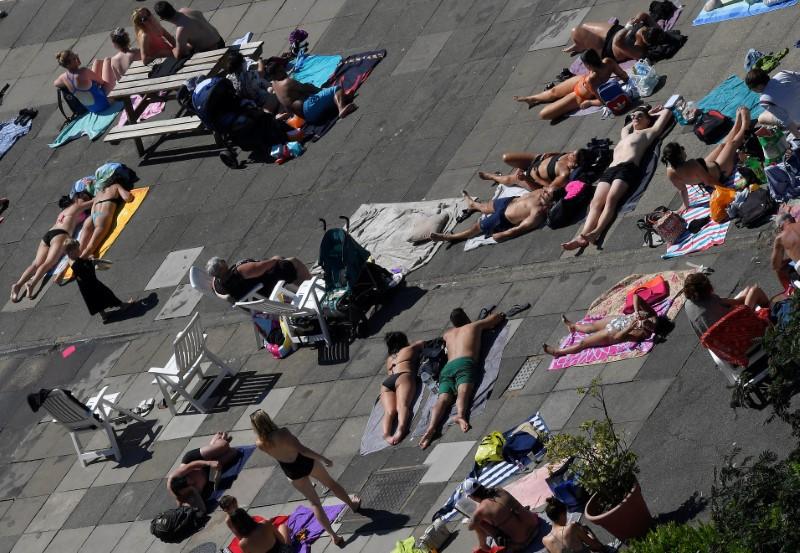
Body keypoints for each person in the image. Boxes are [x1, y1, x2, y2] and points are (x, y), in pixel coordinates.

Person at [562, 105, 673, 250]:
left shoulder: (650, 132)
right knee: (595, 203)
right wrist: (641, 114)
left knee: (611, 200)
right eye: (633, 116)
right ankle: (582, 236)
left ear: (648, 120)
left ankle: (597, 232)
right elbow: (625, 128)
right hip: (611, 169)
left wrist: (652, 113)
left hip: (627, 168)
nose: (635, 118)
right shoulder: (626, 134)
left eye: (640, 116)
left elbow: (668, 112)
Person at [250, 410, 360, 547]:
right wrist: (323, 458)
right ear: (268, 419)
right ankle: (352, 505)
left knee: (315, 503)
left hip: (291, 472)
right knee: (331, 484)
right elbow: (302, 450)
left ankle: (333, 535)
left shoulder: (260, 443)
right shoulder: (283, 433)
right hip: (304, 462)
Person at [419, 309, 507, 449]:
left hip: (447, 368)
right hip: (464, 363)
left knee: (442, 399)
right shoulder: (474, 326)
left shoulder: (447, 334)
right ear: (466, 317)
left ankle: (431, 427)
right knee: (463, 392)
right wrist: (497, 315)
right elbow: (495, 319)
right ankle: (460, 415)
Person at [661, 106, 752, 212]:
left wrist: (685, 205)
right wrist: (730, 192)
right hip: (720, 171)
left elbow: (682, 189)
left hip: (706, 169)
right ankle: (745, 125)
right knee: (731, 145)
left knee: (721, 146)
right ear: (680, 156)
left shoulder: (670, 171)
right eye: (682, 149)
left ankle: (737, 123)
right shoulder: (692, 164)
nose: (684, 150)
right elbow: (710, 181)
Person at [10, 193, 93, 302]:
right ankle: (32, 283)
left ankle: (18, 285)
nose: (86, 200)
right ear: (77, 199)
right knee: (49, 262)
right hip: (60, 234)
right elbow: (96, 200)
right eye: (85, 198)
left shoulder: (65, 210)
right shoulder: (77, 205)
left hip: (49, 234)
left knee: (36, 264)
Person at [543, 293, 673, 357]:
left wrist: (630, 327)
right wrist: (637, 310)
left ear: (651, 331)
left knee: (584, 343)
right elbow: (636, 296)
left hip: (611, 333)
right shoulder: (652, 315)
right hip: (618, 321)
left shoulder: (642, 333)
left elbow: (618, 337)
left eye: (649, 325)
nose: (647, 322)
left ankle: (558, 352)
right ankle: (574, 327)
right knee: (590, 327)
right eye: (649, 320)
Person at [512, 50, 630, 120]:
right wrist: (623, 81)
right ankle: (532, 98)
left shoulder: (593, 79)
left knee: (544, 114)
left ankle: (534, 99)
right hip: (581, 81)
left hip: (580, 95)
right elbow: (623, 75)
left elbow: (602, 100)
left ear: (589, 65)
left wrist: (589, 102)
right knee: (553, 92)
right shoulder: (608, 61)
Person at [430, 188, 554, 244]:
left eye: (548, 193)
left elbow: (521, 228)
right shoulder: (540, 191)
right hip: (509, 202)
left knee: (476, 228)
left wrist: (504, 235)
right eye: (546, 189)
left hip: (503, 218)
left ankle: (450, 238)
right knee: (485, 207)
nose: (545, 191)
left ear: (549, 202)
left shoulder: (537, 212)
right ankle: (473, 205)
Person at [167, 432, 241, 514]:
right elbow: (202, 509)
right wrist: (193, 490)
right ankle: (215, 448)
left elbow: (191, 465)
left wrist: (209, 463)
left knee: (224, 445)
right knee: (234, 453)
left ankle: (216, 444)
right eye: (190, 484)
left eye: (189, 479)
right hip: (208, 473)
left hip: (194, 460)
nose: (192, 482)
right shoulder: (187, 496)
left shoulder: (175, 476)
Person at [265, 61, 357, 124]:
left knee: (326, 96)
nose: (284, 72)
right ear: (274, 75)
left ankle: (342, 98)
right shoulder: (288, 82)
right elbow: (309, 89)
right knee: (336, 89)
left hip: (307, 117)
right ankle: (341, 108)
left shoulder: (274, 85)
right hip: (309, 109)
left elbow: (288, 107)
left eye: (283, 69)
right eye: (281, 71)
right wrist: (322, 90)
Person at [683, 272, 770, 337]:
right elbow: (738, 302)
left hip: (720, 341)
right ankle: (771, 312)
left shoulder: (687, 305)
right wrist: (748, 294)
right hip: (737, 331)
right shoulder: (713, 300)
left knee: (746, 291)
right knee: (754, 290)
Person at [64, 239, 132, 322]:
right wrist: (92, 263)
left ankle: (103, 315)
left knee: (94, 300)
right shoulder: (76, 264)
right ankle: (122, 305)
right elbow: (87, 271)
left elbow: (81, 264)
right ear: (71, 251)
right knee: (107, 293)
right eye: (77, 249)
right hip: (92, 283)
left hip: (84, 286)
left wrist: (88, 260)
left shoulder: (71, 260)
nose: (79, 250)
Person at [465, 478, 540, 552]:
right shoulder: (499, 490)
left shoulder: (480, 511)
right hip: (535, 525)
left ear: (472, 497)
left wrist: (475, 517)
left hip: (522, 542)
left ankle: (483, 546)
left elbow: (470, 527)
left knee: (479, 523)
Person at [563, 12, 665, 63]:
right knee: (585, 25)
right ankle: (580, 44)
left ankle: (579, 46)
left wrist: (627, 27)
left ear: (645, 41)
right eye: (645, 29)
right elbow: (645, 15)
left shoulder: (638, 50)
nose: (643, 29)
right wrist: (638, 18)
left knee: (576, 31)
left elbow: (617, 42)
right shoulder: (655, 31)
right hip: (615, 31)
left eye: (643, 32)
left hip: (607, 48)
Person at [381, 332, 423, 445]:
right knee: (402, 406)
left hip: (387, 383)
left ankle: (386, 435)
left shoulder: (389, 359)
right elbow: (422, 343)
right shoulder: (410, 348)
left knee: (389, 411)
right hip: (403, 376)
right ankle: (400, 430)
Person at [206, 256, 311, 301]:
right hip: (265, 288)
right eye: (222, 261)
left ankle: (303, 285)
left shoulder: (218, 285)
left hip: (253, 297)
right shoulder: (241, 271)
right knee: (292, 261)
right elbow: (264, 266)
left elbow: (219, 293)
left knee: (282, 260)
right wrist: (275, 260)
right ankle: (312, 286)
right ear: (223, 266)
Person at [479, 149, 588, 191]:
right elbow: (563, 154)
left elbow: (550, 188)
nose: (570, 153)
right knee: (506, 157)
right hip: (537, 161)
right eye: (572, 152)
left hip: (532, 179)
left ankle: (493, 177)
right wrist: (554, 154)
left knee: (512, 179)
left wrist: (534, 178)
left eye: (573, 155)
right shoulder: (568, 155)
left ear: (575, 162)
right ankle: (520, 170)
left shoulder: (564, 173)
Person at [78, 182, 133, 259]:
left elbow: (93, 208)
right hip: (102, 216)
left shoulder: (98, 192)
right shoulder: (116, 186)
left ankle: (77, 260)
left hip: (91, 217)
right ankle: (79, 264)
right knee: (91, 247)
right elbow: (128, 198)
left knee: (80, 247)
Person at [154, 1, 224, 58]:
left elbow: (179, 55)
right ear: (172, 7)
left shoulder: (181, 30)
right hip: (219, 40)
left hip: (213, 52)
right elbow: (196, 32)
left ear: (162, 18)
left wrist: (170, 50)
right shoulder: (186, 9)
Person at [746, 67, 800, 138]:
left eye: (751, 88)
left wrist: (797, 135)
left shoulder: (764, 100)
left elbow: (786, 120)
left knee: (761, 118)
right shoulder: (783, 73)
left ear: (759, 86)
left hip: (797, 120)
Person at [219, 495, 291, 544]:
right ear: (227, 509)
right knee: (282, 527)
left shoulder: (238, 511)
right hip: (249, 534)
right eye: (233, 503)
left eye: (235, 501)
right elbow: (238, 535)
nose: (236, 504)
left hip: (250, 532)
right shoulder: (230, 519)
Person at [771, 212, 800, 292]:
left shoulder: (780, 238)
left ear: (780, 227)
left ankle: (790, 291)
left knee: (779, 269)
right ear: (793, 219)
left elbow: (775, 265)